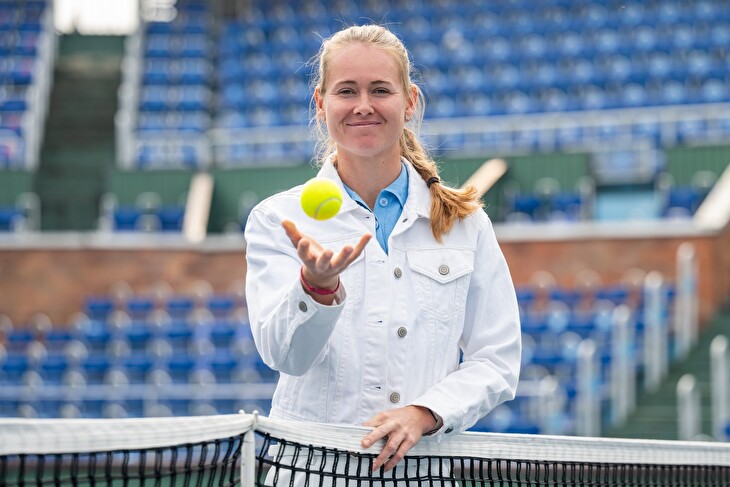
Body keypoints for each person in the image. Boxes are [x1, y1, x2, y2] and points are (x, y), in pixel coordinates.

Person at [244, 24, 521, 481]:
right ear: (321, 104)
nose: (363, 105)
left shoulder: (466, 223)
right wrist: (316, 288)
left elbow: (497, 359)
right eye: (346, 91)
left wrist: (425, 413)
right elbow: (285, 356)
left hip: (422, 473)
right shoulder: (277, 219)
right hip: (308, 473)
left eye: (380, 90)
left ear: (409, 101)